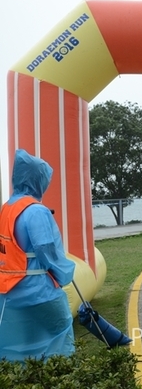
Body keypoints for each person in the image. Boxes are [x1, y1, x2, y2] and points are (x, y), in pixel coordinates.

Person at [0, 149, 76, 362]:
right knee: (61, 330)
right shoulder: (36, 211)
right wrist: (64, 274)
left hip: (8, 291)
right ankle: (63, 371)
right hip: (39, 291)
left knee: (19, 343)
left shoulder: (6, 209)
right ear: (36, 180)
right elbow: (47, 251)